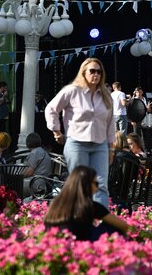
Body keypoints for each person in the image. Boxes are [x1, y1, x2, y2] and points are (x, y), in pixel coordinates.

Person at [45, 58, 115, 208]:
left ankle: (100, 220)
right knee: (80, 184)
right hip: (77, 143)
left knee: (101, 185)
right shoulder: (72, 91)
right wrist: (57, 132)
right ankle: (80, 217)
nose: (96, 74)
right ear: (83, 72)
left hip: (100, 145)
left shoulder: (106, 95)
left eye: (99, 72)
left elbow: (110, 123)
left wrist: (111, 148)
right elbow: (51, 109)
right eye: (92, 71)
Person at [44, 166, 129, 241]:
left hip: (54, 243)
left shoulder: (56, 203)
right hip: (77, 245)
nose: (97, 187)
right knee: (113, 228)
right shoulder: (90, 205)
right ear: (87, 184)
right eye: (96, 183)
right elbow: (124, 226)